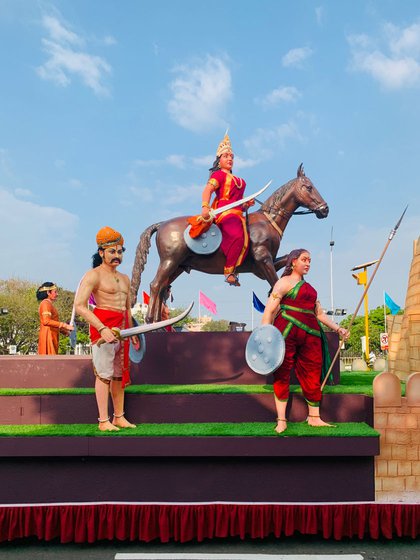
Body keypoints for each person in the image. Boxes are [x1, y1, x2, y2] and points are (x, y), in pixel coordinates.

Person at [262, 249, 349, 434]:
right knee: (282, 373)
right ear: (293, 261)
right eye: (304, 259)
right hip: (286, 331)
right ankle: (282, 420)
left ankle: (314, 417)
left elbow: (319, 314)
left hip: (311, 334)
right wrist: (265, 335)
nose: (308, 263)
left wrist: (338, 328)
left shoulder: (311, 289)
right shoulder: (283, 282)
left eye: (310, 260)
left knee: (312, 372)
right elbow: (269, 311)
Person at [75, 226, 140, 432]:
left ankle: (119, 417)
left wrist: (133, 332)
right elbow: (79, 306)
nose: (117, 255)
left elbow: (127, 308)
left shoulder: (125, 278)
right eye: (112, 251)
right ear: (101, 252)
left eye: (120, 251)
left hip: (123, 329)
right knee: (104, 374)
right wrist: (102, 328)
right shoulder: (93, 275)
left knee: (119, 375)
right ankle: (103, 420)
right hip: (103, 327)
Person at [200, 133, 254, 286]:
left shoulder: (240, 181)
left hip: (238, 214)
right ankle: (229, 271)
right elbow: (207, 190)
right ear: (219, 160)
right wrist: (205, 205)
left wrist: (245, 205)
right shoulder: (219, 175)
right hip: (225, 213)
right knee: (236, 235)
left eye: (231, 157)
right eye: (226, 156)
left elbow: (237, 202)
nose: (230, 159)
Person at [36, 282, 74, 355]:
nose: (57, 294)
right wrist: (64, 325)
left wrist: (65, 331)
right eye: (55, 292)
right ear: (48, 292)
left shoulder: (49, 304)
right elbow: (46, 321)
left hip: (52, 335)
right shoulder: (45, 303)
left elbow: (53, 322)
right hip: (48, 336)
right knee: (49, 362)